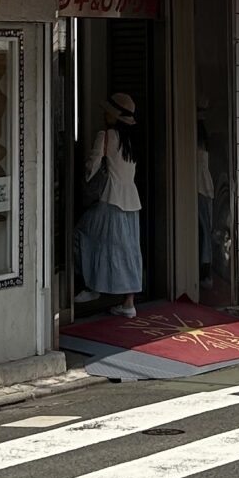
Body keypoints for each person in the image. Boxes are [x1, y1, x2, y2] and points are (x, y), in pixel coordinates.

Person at [76, 91, 145, 316]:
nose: (105, 114)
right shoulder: (132, 140)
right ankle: (128, 301)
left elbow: (92, 165)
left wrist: (85, 178)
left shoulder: (105, 136)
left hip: (109, 198)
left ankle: (92, 286)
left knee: (84, 235)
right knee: (129, 249)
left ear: (114, 115)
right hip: (131, 200)